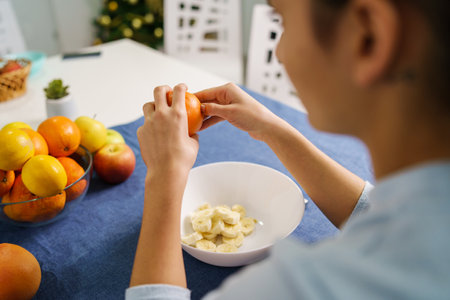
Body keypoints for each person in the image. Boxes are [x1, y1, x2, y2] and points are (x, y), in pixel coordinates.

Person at [127, 0, 450, 298]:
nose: (279, 53)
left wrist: (164, 176)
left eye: (282, 20)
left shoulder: (302, 286)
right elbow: (384, 217)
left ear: (368, 36)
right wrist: (271, 129)